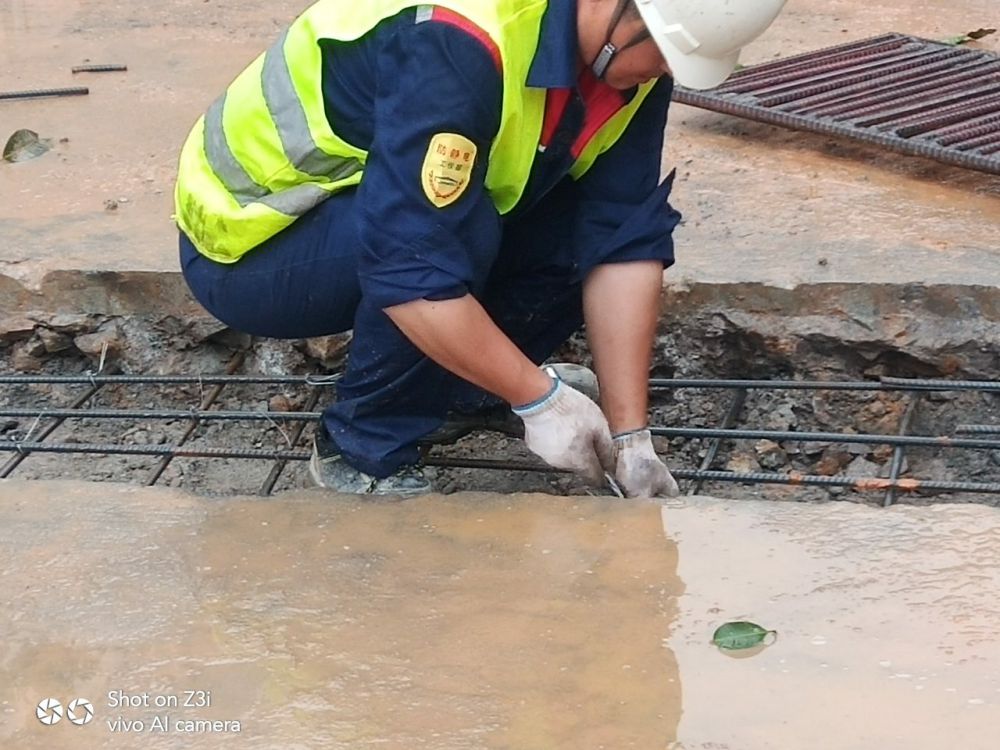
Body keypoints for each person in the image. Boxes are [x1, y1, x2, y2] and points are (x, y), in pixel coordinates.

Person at [174, 0, 787, 498]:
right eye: (663, 52)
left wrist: (632, 438)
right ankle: (363, 449)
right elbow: (410, 265)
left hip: (380, 215)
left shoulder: (631, 60)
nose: (664, 72)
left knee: (561, 222)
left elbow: (621, 237)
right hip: (256, 243)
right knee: (456, 228)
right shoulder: (458, 39)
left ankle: (458, 395)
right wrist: (540, 398)